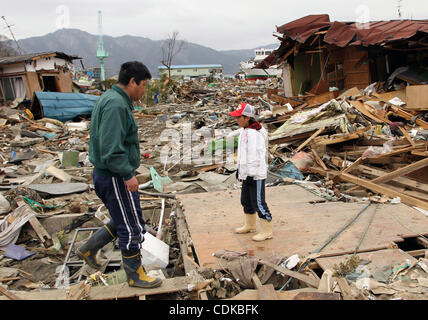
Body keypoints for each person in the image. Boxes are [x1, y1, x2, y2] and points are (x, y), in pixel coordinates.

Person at [77, 61, 162, 288]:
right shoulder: (116, 105)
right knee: (131, 227)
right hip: (115, 177)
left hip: (108, 175)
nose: (144, 90)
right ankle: (135, 275)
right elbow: (111, 148)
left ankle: (89, 248)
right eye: (143, 85)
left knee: (126, 218)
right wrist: (127, 174)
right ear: (132, 82)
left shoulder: (111, 98)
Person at [228, 103, 273, 241]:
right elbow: (243, 154)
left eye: (239, 117)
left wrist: (251, 174)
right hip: (246, 173)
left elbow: (255, 155)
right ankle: (250, 225)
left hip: (255, 175)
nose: (237, 120)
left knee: (258, 202)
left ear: (247, 118)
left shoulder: (255, 133)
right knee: (246, 200)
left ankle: (267, 231)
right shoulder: (245, 130)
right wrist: (240, 171)